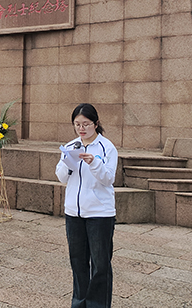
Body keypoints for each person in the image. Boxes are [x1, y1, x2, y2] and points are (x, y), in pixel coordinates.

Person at [55, 103, 118, 308]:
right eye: (77, 124)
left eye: (86, 124)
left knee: (100, 265)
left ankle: (98, 305)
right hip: (74, 212)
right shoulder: (72, 145)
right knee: (78, 263)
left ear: (96, 123)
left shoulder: (106, 147)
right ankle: (80, 303)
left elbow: (108, 179)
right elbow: (61, 177)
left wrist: (94, 163)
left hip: (100, 213)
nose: (82, 129)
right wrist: (66, 162)